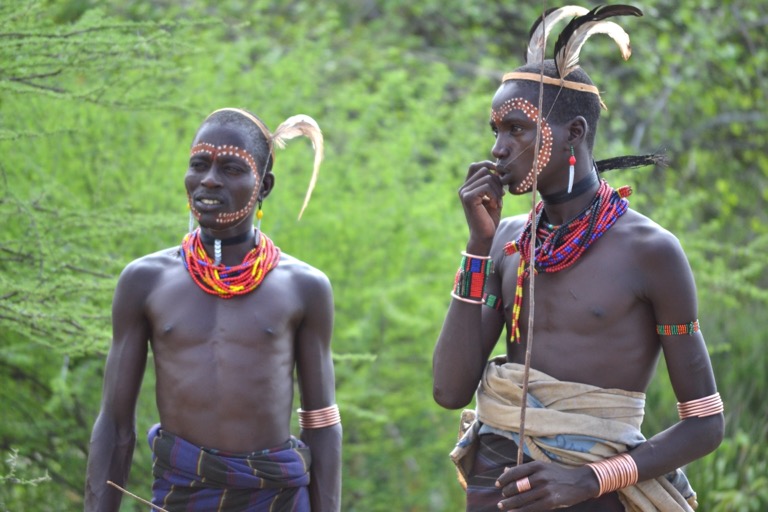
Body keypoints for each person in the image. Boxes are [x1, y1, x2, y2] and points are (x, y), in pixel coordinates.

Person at [432, 6, 723, 512]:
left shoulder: (651, 253)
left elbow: (705, 422)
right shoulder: (505, 242)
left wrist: (589, 480)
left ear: (573, 133)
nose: (498, 150)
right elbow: (449, 390)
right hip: (493, 489)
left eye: (516, 130)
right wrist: (477, 248)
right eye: (495, 130)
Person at [84, 108, 342, 512]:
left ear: (264, 186)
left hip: (276, 498)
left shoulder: (304, 287)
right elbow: (115, 424)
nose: (209, 179)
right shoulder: (144, 281)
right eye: (199, 165)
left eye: (231, 168)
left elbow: (321, 424)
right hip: (180, 495)